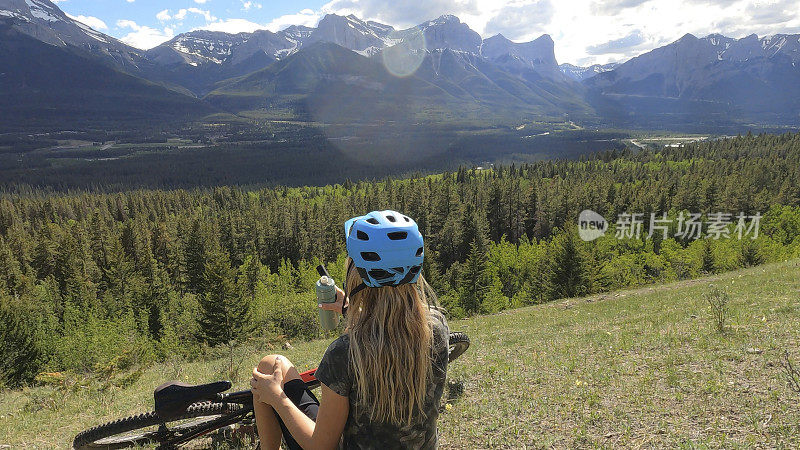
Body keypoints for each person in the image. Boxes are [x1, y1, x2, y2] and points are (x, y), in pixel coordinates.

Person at [250, 210, 449, 449]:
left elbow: (320, 446)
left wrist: (276, 397)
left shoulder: (344, 353)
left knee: (270, 365)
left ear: (356, 274)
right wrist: (349, 308)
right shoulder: (436, 328)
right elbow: (391, 331)